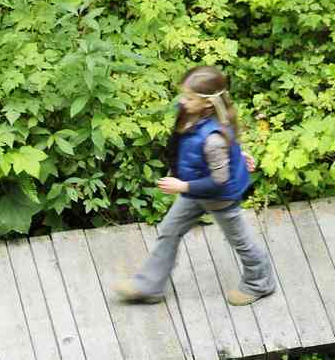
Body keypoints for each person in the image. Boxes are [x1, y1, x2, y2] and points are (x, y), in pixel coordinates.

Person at [114, 64, 276, 306]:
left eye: (189, 97)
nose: (182, 100)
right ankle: (149, 285)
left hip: (219, 196)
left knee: (240, 241)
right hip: (196, 185)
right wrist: (238, 155)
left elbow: (219, 181)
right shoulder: (193, 113)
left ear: (208, 104)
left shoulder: (213, 139)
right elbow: (214, 146)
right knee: (169, 229)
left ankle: (259, 283)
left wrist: (182, 187)